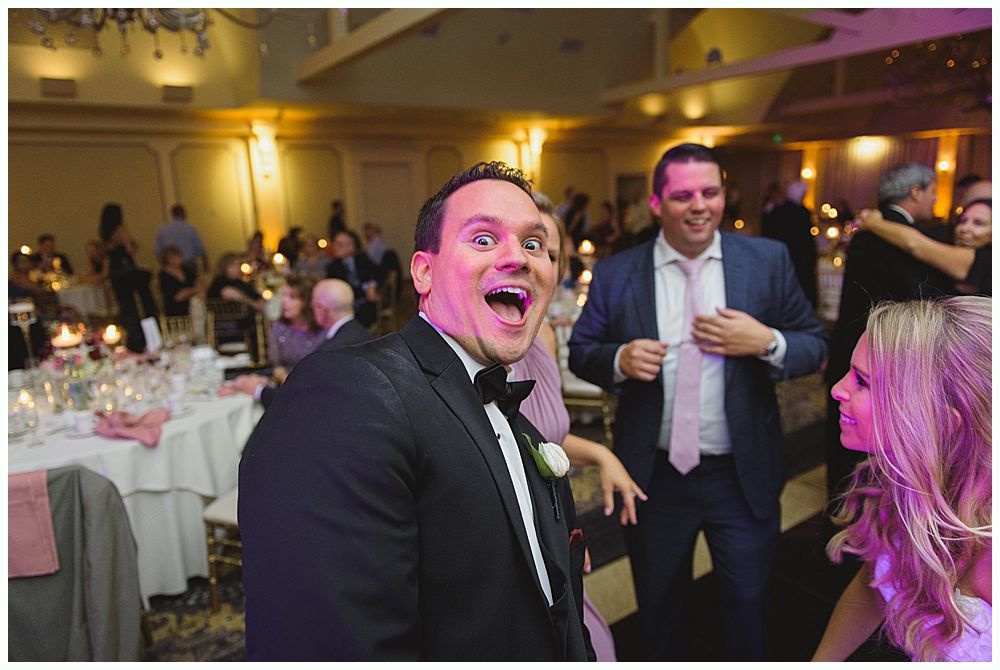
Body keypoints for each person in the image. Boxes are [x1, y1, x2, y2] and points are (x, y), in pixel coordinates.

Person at [239, 161, 591, 660]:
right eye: (485, 240)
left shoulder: (516, 418)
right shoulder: (350, 393)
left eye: (535, 244)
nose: (520, 258)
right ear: (424, 271)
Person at [568, 143, 828, 660]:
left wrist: (767, 343)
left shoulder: (765, 260)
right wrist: (619, 360)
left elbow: (816, 344)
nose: (700, 205)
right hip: (655, 477)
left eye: (710, 192)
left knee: (749, 608)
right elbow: (581, 351)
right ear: (658, 202)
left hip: (742, 472)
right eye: (683, 195)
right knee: (660, 612)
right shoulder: (621, 273)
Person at [813, 296, 991, 662]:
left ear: (942, 419)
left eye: (862, 382)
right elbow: (876, 579)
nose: (837, 390)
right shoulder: (904, 481)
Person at [513, 191, 648, 662]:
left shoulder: (544, 334)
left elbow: (543, 434)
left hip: (557, 529)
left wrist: (602, 455)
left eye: (546, 252)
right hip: (514, 545)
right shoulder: (481, 348)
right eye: (522, 247)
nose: (532, 264)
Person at [824, 162, 952, 514]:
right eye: (932, 192)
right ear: (916, 191)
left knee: (843, 460)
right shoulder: (914, 240)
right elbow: (923, 300)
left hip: (849, 354)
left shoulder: (865, 233)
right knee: (881, 465)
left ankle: (842, 528)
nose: (934, 200)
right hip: (884, 367)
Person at [221, 278, 371, 408]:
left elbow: (303, 400)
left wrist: (258, 390)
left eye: (292, 297)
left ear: (320, 309)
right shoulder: (359, 333)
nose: (285, 301)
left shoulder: (331, 348)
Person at [855, 198, 991, 296]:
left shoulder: (986, 260)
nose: (965, 228)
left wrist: (873, 223)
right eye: (963, 221)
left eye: (978, 223)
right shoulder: (954, 248)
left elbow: (914, 244)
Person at [99, 203, 158, 353]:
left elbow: (106, 253)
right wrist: (133, 245)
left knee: (126, 306)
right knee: (141, 304)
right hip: (127, 272)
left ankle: (131, 336)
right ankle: (145, 336)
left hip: (116, 273)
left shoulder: (104, 233)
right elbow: (129, 249)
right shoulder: (120, 229)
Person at [761, 180, 819, 308]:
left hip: (781, 261)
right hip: (800, 262)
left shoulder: (776, 211)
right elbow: (808, 242)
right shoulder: (802, 212)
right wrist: (813, 260)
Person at [266, 275, 325, 383]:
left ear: (307, 301)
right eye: (284, 295)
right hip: (287, 385)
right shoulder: (279, 327)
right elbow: (276, 366)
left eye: (292, 297)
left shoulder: (323, 329)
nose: (284, 301)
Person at [326, 230, 382, 329]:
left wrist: (371, 285)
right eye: (335, 243)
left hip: (365, 301)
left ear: (351, 246)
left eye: (340, 244)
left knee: (366, 309)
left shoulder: (362, 258)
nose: (335, 247)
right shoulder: (333, 266)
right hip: (346, 303)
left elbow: (380, 272)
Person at [154, 204, 207, 276]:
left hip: (170, 265)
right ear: (184, 214)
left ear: (172, 214)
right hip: (188, 263)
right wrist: (205, 263)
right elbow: (200, 249)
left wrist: (164, 265)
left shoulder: (161, 230)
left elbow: (158, 252)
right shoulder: (190, 229)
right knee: (190, 285)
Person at [157, 245, 202, 317]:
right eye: (172, 258)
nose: (176, 259)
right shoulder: (164, 275)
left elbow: (199, 284)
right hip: (175, 309)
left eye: (177, 256)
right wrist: (194, 290)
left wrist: (189, 291)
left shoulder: (187, 270)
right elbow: (178, 297)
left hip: (192, 307)